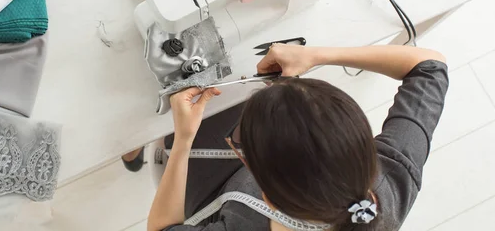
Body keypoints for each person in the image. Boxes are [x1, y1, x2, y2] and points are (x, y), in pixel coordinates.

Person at [125, 44, 448, 230]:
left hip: (203, 193)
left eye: (239, 140)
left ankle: (137, 147)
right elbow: (429, 66)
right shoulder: (393, 176)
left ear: (268, 195)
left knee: (135, 120)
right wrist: (318, 55)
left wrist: (183, 140)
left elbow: (163, 228)